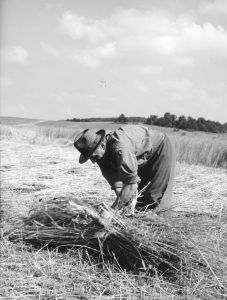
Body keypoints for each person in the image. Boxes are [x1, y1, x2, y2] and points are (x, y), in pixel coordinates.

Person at [73, 125, 175, 214]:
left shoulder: (120, 148)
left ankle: (159, 225)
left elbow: (131, 185)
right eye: (90, 157)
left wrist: (112, 211)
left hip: (158, 151)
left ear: (103, 144)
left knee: (153, 199)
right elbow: (118, 184)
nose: (93, 160)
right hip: (138, 157)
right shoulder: (101, 157)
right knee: (138, 203)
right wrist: (123, 206)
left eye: (93, 155)